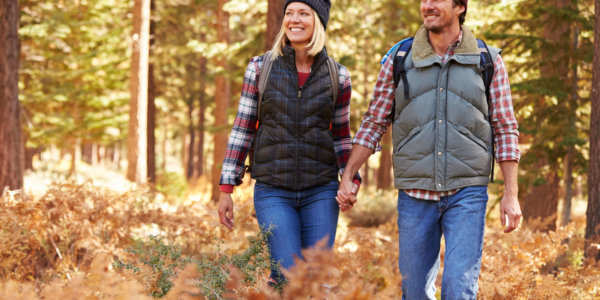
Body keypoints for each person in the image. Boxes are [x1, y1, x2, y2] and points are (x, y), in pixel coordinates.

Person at [336, 0, 522, 298]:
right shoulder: (399, 58)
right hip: (415, 194)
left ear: (460, 7)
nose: (428, 5)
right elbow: (374, 121)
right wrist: (349, 175)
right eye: (424, 0)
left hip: (467, 192)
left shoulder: (487, 59)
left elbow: (505, 127)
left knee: (458, 289)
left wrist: (510, 195)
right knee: (415, 292)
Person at [217, 0, 360, 285]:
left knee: (315, 277)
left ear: (318, 21)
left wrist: (350, 180)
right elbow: (243, 127)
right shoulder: (260, 68)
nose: (294, 20)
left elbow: (342, 136)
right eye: (289, 13)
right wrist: (226, 187)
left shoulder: (338, 75)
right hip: (273, 189)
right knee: (286, 276)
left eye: (303, 13)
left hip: (321, 190)